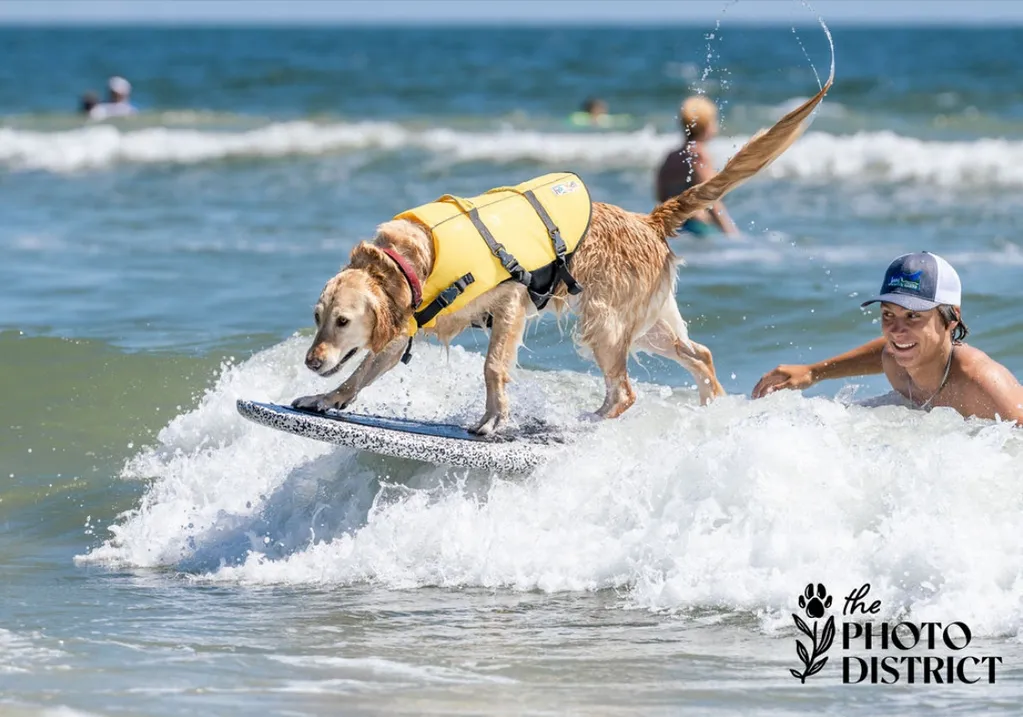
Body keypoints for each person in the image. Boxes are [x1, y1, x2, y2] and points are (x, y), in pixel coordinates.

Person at [752, 252, 1023, 425]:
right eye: (888, 314)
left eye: (913, 316)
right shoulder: (897, 358)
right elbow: (885, 351)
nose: (896, 331)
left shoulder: (981, 384)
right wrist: (813, 372)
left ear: (951, 318)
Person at [655, 95, 739, 237]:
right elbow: (709, 198)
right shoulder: (699, 155)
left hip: (671, 227)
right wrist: (731, 232)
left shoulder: (671, 156)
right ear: (708, 126)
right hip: (696, 226)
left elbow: (660, 195)